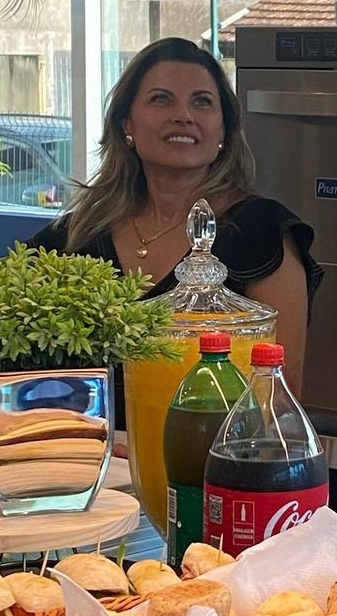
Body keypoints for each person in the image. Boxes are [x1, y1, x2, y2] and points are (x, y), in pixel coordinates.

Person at [43, 36, 318, 380]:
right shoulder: (76, 236)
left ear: (224, 130)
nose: (183, 116)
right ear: (126, 123)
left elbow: (280, 396)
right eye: (161, 99)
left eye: (202, 102)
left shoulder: (262, 233)